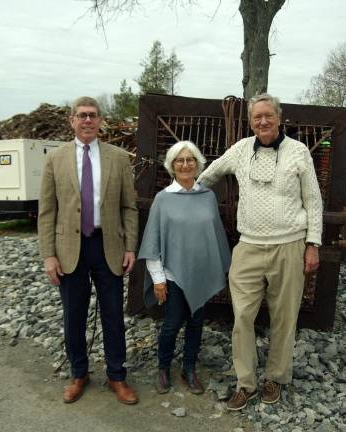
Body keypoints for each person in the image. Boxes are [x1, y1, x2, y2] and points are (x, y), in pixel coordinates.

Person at [197, 93, 323, 411]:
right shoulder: (240, 150)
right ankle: (245, 382)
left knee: (284, 317)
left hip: (289, 246)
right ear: (250, 121)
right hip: (249, 246)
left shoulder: (298, 152)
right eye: (257, 117)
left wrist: (313, 244)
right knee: (242, 316)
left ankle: (275, 378)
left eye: (268, 115)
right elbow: (210, 173)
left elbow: (314, 199)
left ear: (280, 118)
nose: (263, 121)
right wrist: (186, 194)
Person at [38, 96, 139, 405]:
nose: (87, 121)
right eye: (81, 115)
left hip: (107, 246)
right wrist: (48, 254)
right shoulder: (55, 159)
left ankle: (116, 376)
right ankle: (79, 373)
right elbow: (46, 210)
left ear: (100, 121)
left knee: (113, 316)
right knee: (74, 316)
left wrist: (130, 247)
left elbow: (129, 207)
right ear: (72, 121)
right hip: (69, 248)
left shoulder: (119, 158)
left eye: (92, 115)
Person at [137, 141, 231, 395]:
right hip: (172, 274)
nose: (186, 164)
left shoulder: (208, 197)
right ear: (172, 165)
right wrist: (158, 279)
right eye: (180, 160)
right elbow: (154, 240)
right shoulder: (163, 199)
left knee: (196, 323)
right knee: (171, 323)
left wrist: (216, 268)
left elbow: (214, 236)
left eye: (190, 160)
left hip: (200, 273)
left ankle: (189, 369)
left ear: (198, 164)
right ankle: (163, 368)